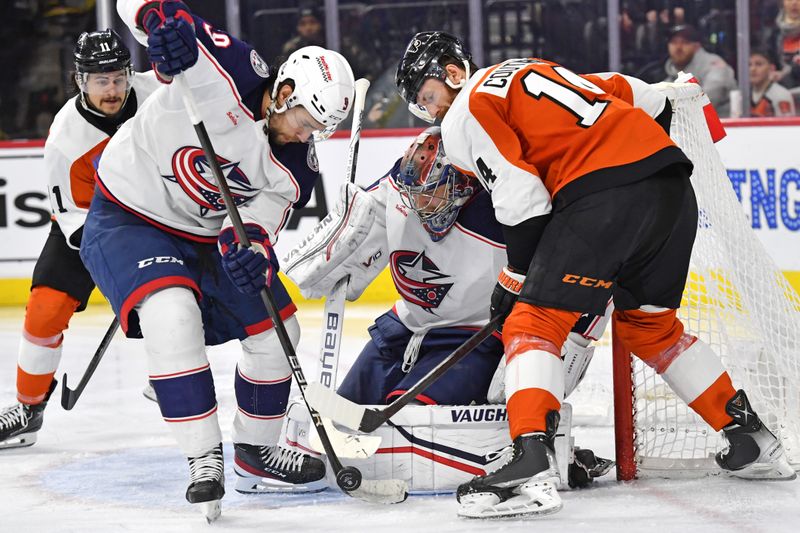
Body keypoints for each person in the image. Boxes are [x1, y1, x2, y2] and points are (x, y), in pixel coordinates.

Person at [395, 30, 796, 519]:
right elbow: (643, 97)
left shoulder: (465, 112)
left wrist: (515, 279)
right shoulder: (535, 67)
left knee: (531, 324)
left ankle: (529, 467)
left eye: (429, 97)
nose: (432, 113)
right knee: (648, 325)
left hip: (604, 194)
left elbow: (523, 197)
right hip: (670, 186)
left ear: (453, 74)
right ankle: (750, 436)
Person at [79, 0, 354, 519]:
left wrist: (247, 250)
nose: (306, 136)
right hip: (129, 212)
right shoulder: (227, 69)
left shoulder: (297, 165)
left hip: (205, 234)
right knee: (170, 311)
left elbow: (256, 223)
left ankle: (254, 450)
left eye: (319, 130)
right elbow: (145, 6)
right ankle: (203, 458)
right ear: (285, 93)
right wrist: (160, 27)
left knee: (279, 331)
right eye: (305, 122)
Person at [282, 127, 612, 493]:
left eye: (432, 195)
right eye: (415, 195)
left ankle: (544, 453)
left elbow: (585, 271)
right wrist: (338, 244)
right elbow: (359, 229)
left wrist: (572, 344)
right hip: (404, 328)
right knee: (337, 415)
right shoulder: (400, 184)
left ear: (461, 186)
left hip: (471, 339)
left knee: (407, 422)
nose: (421, 205)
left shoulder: (505, 211)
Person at [0, 30, 160, 450]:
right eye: (100, 80)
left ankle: (170, 371)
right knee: (45, 309)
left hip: (158, 216)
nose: (112, 89)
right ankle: (28, 408)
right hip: (90, 225)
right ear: (79, 81)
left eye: (119, 78)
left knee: (167, 300)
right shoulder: (66, 140)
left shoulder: (156, 95)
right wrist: (122, 263)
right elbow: (76, 222)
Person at [663, 24, 737, 116]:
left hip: (725, 126)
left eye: (685, 42)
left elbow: (710, 97)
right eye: (673, 42)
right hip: (688, 127)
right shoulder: (671, 75)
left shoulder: (713, 63)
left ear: (697, 46)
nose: (678, 47)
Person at [749, 49, 796, 117]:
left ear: (771, 68)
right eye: (749, 65)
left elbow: (786, 126)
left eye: (759, 64)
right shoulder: (742, 95)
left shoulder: (781, 95)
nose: (752, 69)